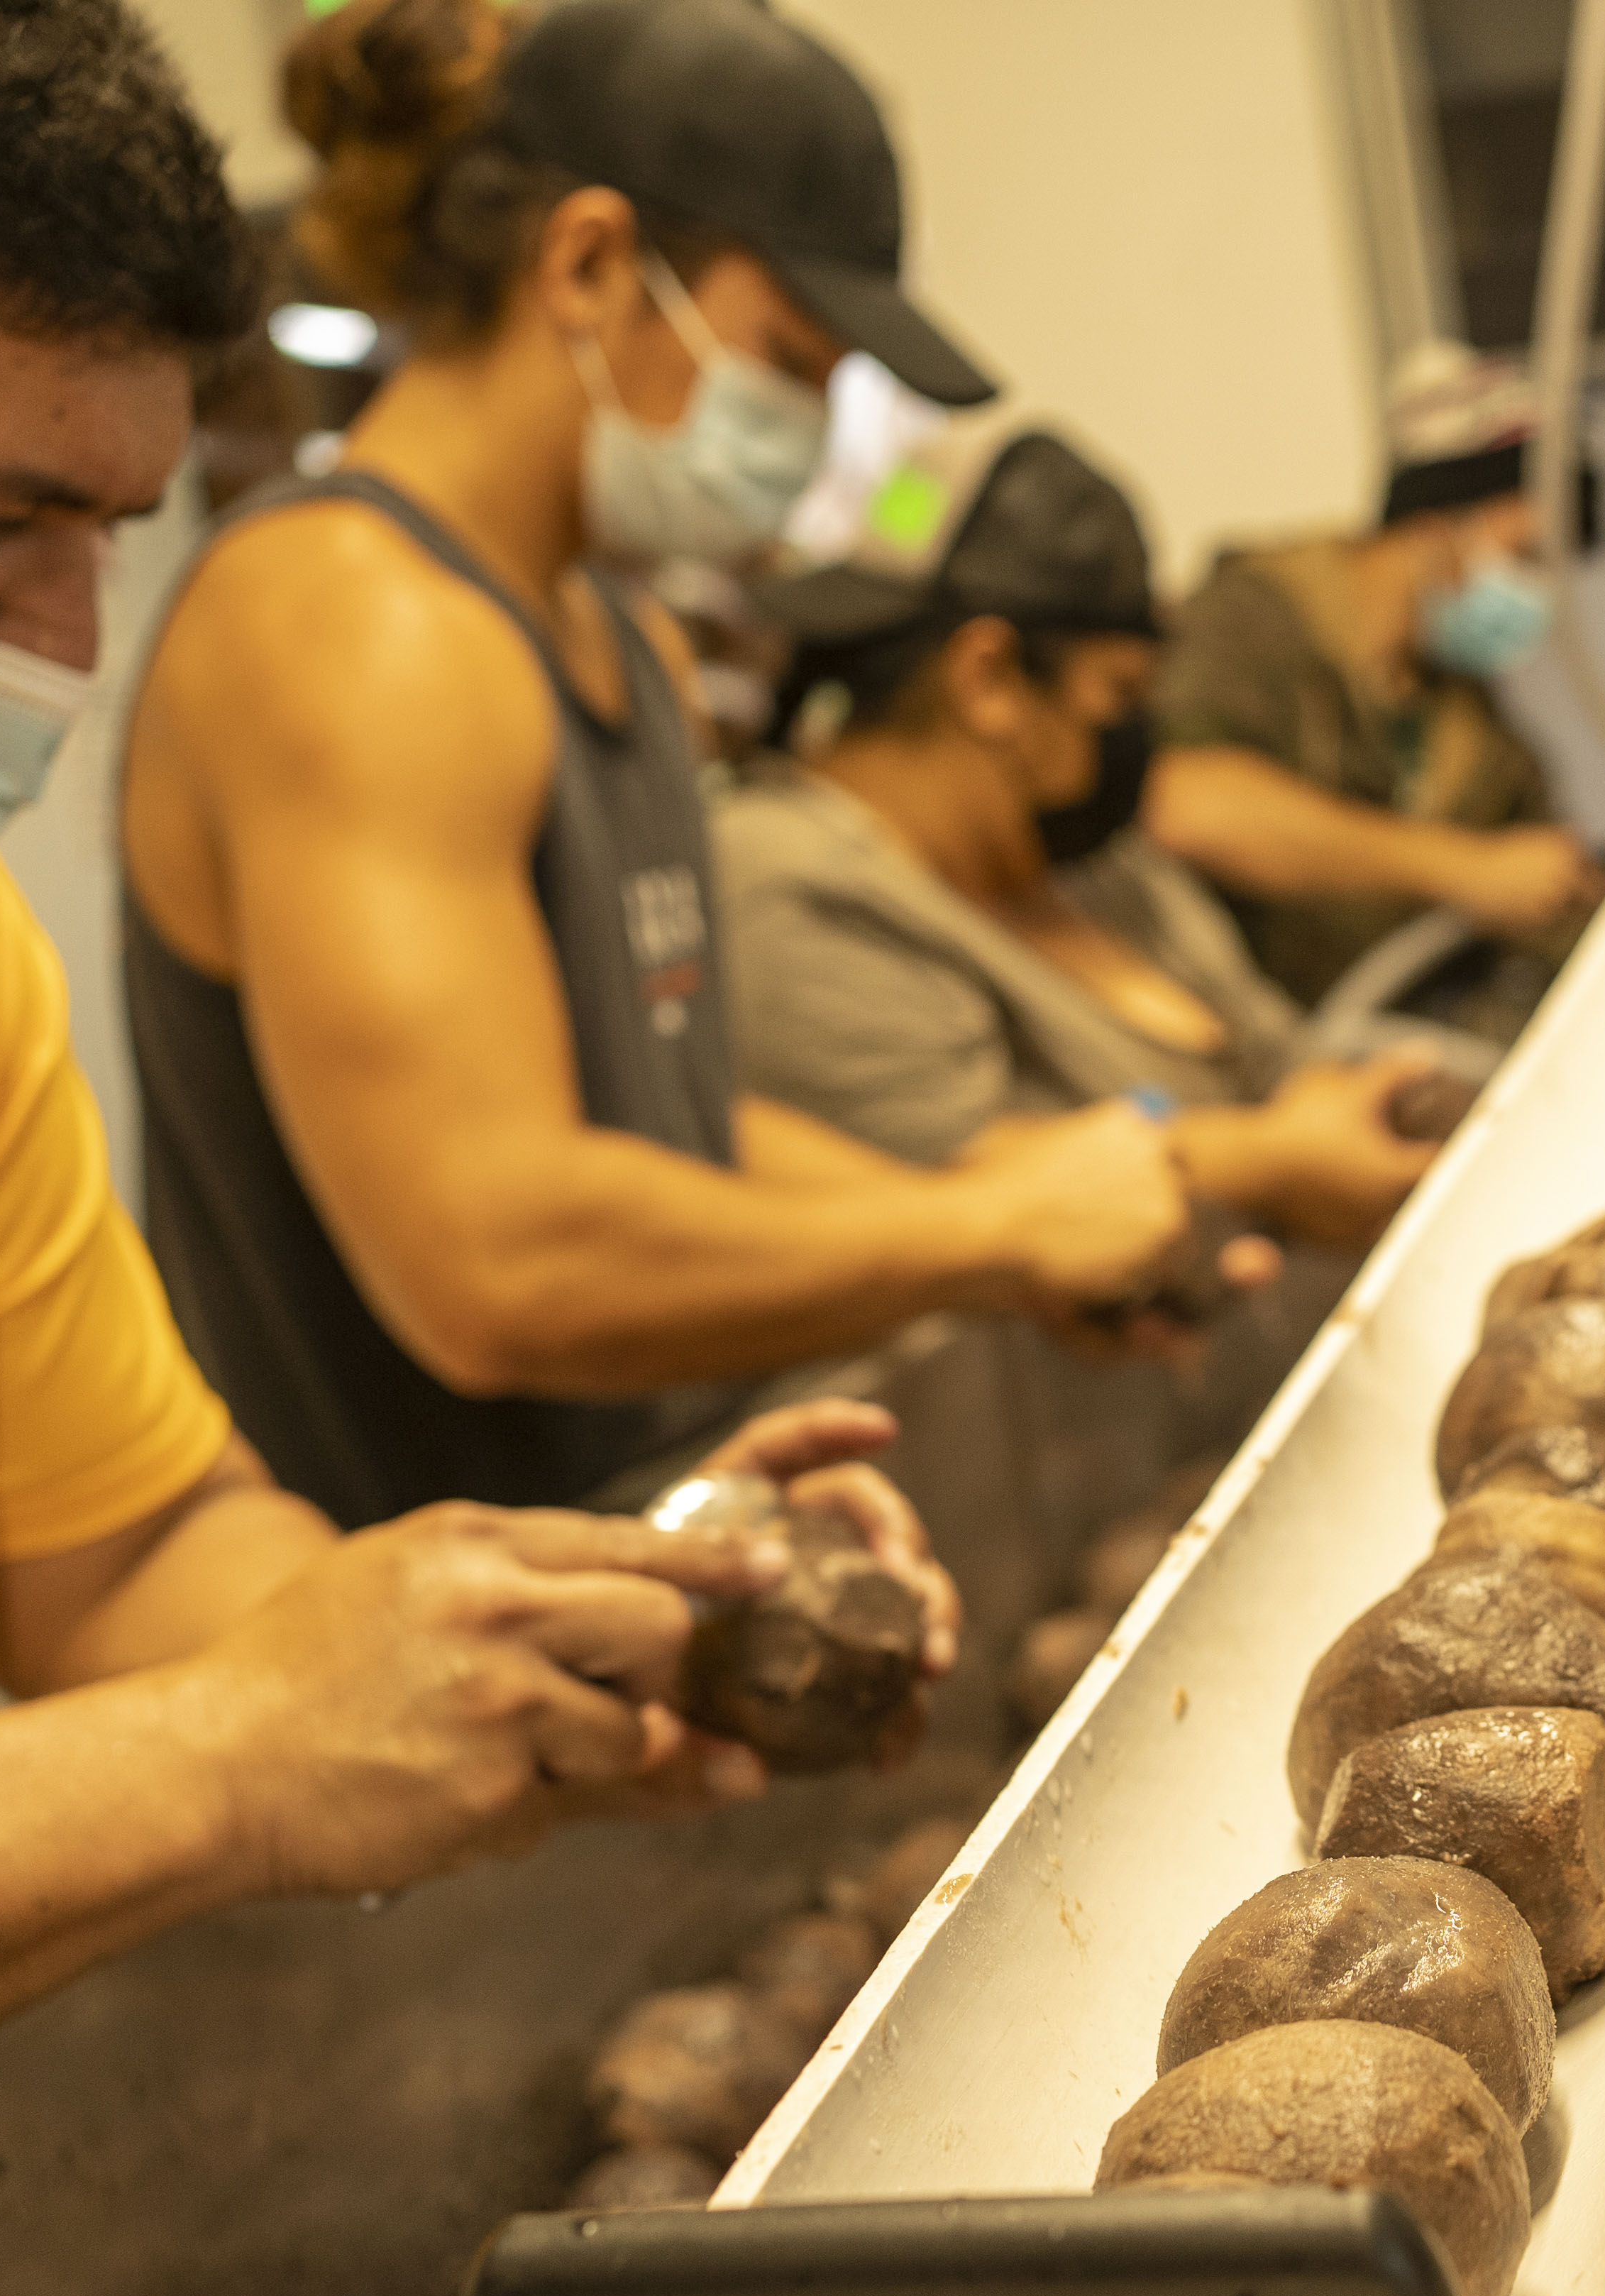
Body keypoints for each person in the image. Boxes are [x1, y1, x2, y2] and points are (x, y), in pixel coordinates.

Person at [0, 0, 952, 2265]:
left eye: (109, 532)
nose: (60, 646)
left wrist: (555, 1632)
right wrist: (215, 1771)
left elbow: (119, 1560)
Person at [122, 0, 1198, 1533]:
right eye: (789, 360)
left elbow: (666, 1129)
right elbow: (500, 1258)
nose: (813, 427)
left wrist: (1004, 1220)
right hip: (433, 1658)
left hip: (658, 1576)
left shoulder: (621, 635)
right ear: (589, 265)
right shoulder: (356, 626)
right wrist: (981, 1233)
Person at [721, 418, 1443, 1251]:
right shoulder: (789, 885)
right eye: (1118, 692)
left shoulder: (1090, 857)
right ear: (988, 679)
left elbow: (1274, 1049)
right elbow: (967, 1188)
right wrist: (1273, 1160)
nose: (1132, 736)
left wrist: (1344, 1116)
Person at [1141, 344, 1605, 1009]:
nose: (1536, 593)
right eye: (1524, 555)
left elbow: (1541, 881)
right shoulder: (1255, 624)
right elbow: (1191, 804)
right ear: (1434, 524)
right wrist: (1460, 869)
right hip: (1244, 1065)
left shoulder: (1468, 725)